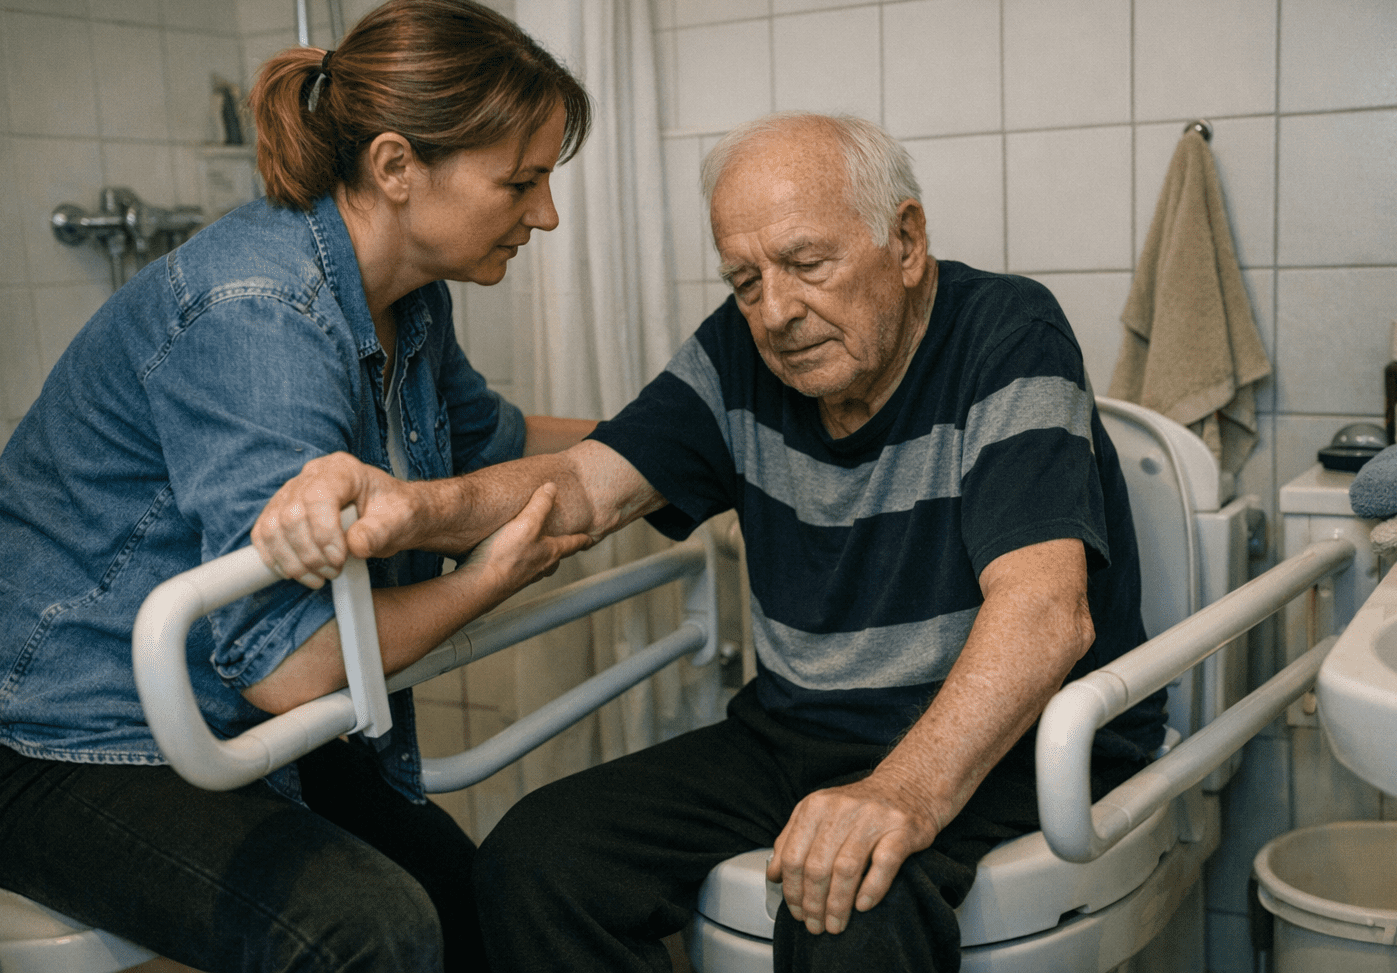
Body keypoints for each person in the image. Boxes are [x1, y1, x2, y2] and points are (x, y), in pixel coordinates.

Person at [254, 112, 1168, 973]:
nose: (775, 312)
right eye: (745, 279)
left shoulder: (1009, 334)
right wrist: (413, 509)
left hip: (1008, 737)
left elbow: (1046, 612)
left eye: (807, 263)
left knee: (848, 912)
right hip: (800, 730)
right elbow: (581, 487)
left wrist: (898, 794)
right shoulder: (740, 351)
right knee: (536, 863)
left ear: (906, 241)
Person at [0, 0, 597, 973]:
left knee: (479, 910)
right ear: (395, 167)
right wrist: (489, 578)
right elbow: (287, 669)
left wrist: (679, 442)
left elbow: (490, 444)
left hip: (203, 712)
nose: (545, 214)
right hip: (37, 732)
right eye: (521, 183)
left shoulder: (407, 298)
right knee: (366, 928)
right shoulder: (259, 316)